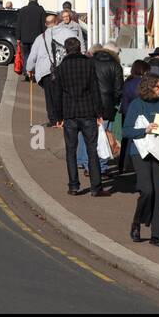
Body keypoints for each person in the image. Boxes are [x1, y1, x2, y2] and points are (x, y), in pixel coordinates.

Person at [53, 37, 108, 197]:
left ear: (66, 49)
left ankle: (73, 186)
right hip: (88, 112)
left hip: (69, 113)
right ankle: (96, 187)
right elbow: (95, 90)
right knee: (92, 149)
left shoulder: (61, 68)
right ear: (79, 48)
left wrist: (58, 116)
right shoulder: (89, 64)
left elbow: (57, 94)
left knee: (71, 150)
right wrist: (99, 113)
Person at [122, 70, 159, 245]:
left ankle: (156, 234)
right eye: (158, 86)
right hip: (140, 151)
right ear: (149, 87)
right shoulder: (137, 105)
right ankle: (136, 223)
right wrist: (145, 129)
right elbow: (126, 130)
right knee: (147, 190)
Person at [25, 9, 84, 125]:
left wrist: (29, 69)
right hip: (64, 69)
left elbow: (32, 57)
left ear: (46, 25)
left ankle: (54, 120)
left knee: (50, 96)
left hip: (47, 71)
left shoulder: (40, 38)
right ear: (57, 21)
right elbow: (78, 44)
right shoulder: (68, 33)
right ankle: (64, 118)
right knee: (64, 94)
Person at [78, 45, 122, 174]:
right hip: (107, 106)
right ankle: (101, 166)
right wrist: (114, 101)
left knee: (89, 136)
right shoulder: (115, 66)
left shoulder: (88, 63)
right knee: (103, 136)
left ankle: (87, 164)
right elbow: (119, 89)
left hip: (88, 104)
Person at [119, 59, 149, 173]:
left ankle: (122, 165)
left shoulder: (128, 82)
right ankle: (135, 164)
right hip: (139, 113)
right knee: (139, 138)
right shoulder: (143, 83)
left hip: (126, 112)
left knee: (126, 139)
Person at [15, 0, 46, 80]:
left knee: (26, 55)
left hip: (24, 38)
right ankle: (34, 74)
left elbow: (19, 25)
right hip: (37, 38)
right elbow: (43, 25)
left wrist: (18, 38)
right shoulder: (41, 10)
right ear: (37, 0)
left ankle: (26, 73)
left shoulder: (23, 10)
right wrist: (45, 36)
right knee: (35, 56)